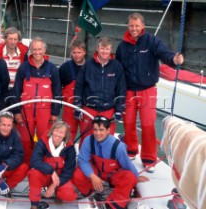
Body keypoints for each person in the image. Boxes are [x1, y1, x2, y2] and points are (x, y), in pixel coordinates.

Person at [115, 13, 184, 171]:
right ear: (128, 26)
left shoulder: (151, 41)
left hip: (147, 90)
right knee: (128, 122)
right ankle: (131, 149)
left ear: (142, 26)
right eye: (131, 26)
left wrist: (174, 60)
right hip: (128, 90)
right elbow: (117, 69)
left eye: (137, 26)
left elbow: (164, 53)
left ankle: (149, 158)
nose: (134, 29)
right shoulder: (122, 46)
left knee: (147, 124)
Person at [72, 116, 149, 209]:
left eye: (101, 130)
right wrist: (93, 176)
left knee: (130, 177)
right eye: (95, 130)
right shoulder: (88, 140)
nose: (97, 133)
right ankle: (88, 192)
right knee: (77, 174)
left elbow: (127, 164)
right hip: (96, 172)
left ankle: (113, 204)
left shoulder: (118, 147)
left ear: (108, 130)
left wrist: (136, 176)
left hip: (112, 175)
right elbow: (82, 160)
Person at [12, 37, 62, 164]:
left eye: (40, 49)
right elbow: (16, 90)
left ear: (44, 50)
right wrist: (16, 111)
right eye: (34, 49)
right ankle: (25, 165)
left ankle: (41, 164)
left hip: (45, 112)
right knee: (25, 139)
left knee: (44, 139)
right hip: (25, 111)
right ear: (30, 51)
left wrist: (55, 113)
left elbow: (57, 92)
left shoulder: (52, 69)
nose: (37, 52)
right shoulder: (23, 68)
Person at [74, 37, 126, 148]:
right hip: (89, 109)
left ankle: (103, 163)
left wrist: (119, 110)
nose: (104, 51)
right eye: (102, 48)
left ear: (111, 49)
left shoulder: (117, 66)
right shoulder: (88, 65)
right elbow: (79, 86)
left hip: (108, 111)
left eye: (107, 49)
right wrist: (77, 107)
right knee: (86, 139)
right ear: (97, 48)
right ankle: (84, 162)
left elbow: (121, 89)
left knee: (107, 140)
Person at [28, 121, 78, 209]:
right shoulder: (43, 142)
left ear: (65, 135)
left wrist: (54, 185)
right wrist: (51, 172)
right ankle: (34, 205)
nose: (58, 135)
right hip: (45, 174)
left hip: (59, 178)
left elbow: (69, 170)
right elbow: (34, 161)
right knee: (34, 173)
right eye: (56, 131)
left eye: (61, 132)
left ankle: (58, 194)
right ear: (52, 131)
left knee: (69, 195)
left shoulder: (70, 148)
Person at [59, 40, 86, 142]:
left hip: (85, 106)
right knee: (68, 134)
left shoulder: (90, 67)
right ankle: (67, 155)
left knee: (86, 134)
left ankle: (84, 157)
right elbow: (57, 85)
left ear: (84, 52)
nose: (76, 55)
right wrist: (63, 96)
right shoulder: (65, 67)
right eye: (74, 52)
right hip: (69, 107)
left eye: (79, 52)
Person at [0, 27, 28, 107]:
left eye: (15, 39)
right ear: (5, 39)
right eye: (10, 39)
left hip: (17, 91)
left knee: (17, 116)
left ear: (18, 40)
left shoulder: (23, 53)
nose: (12, 42)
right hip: (1, 91)